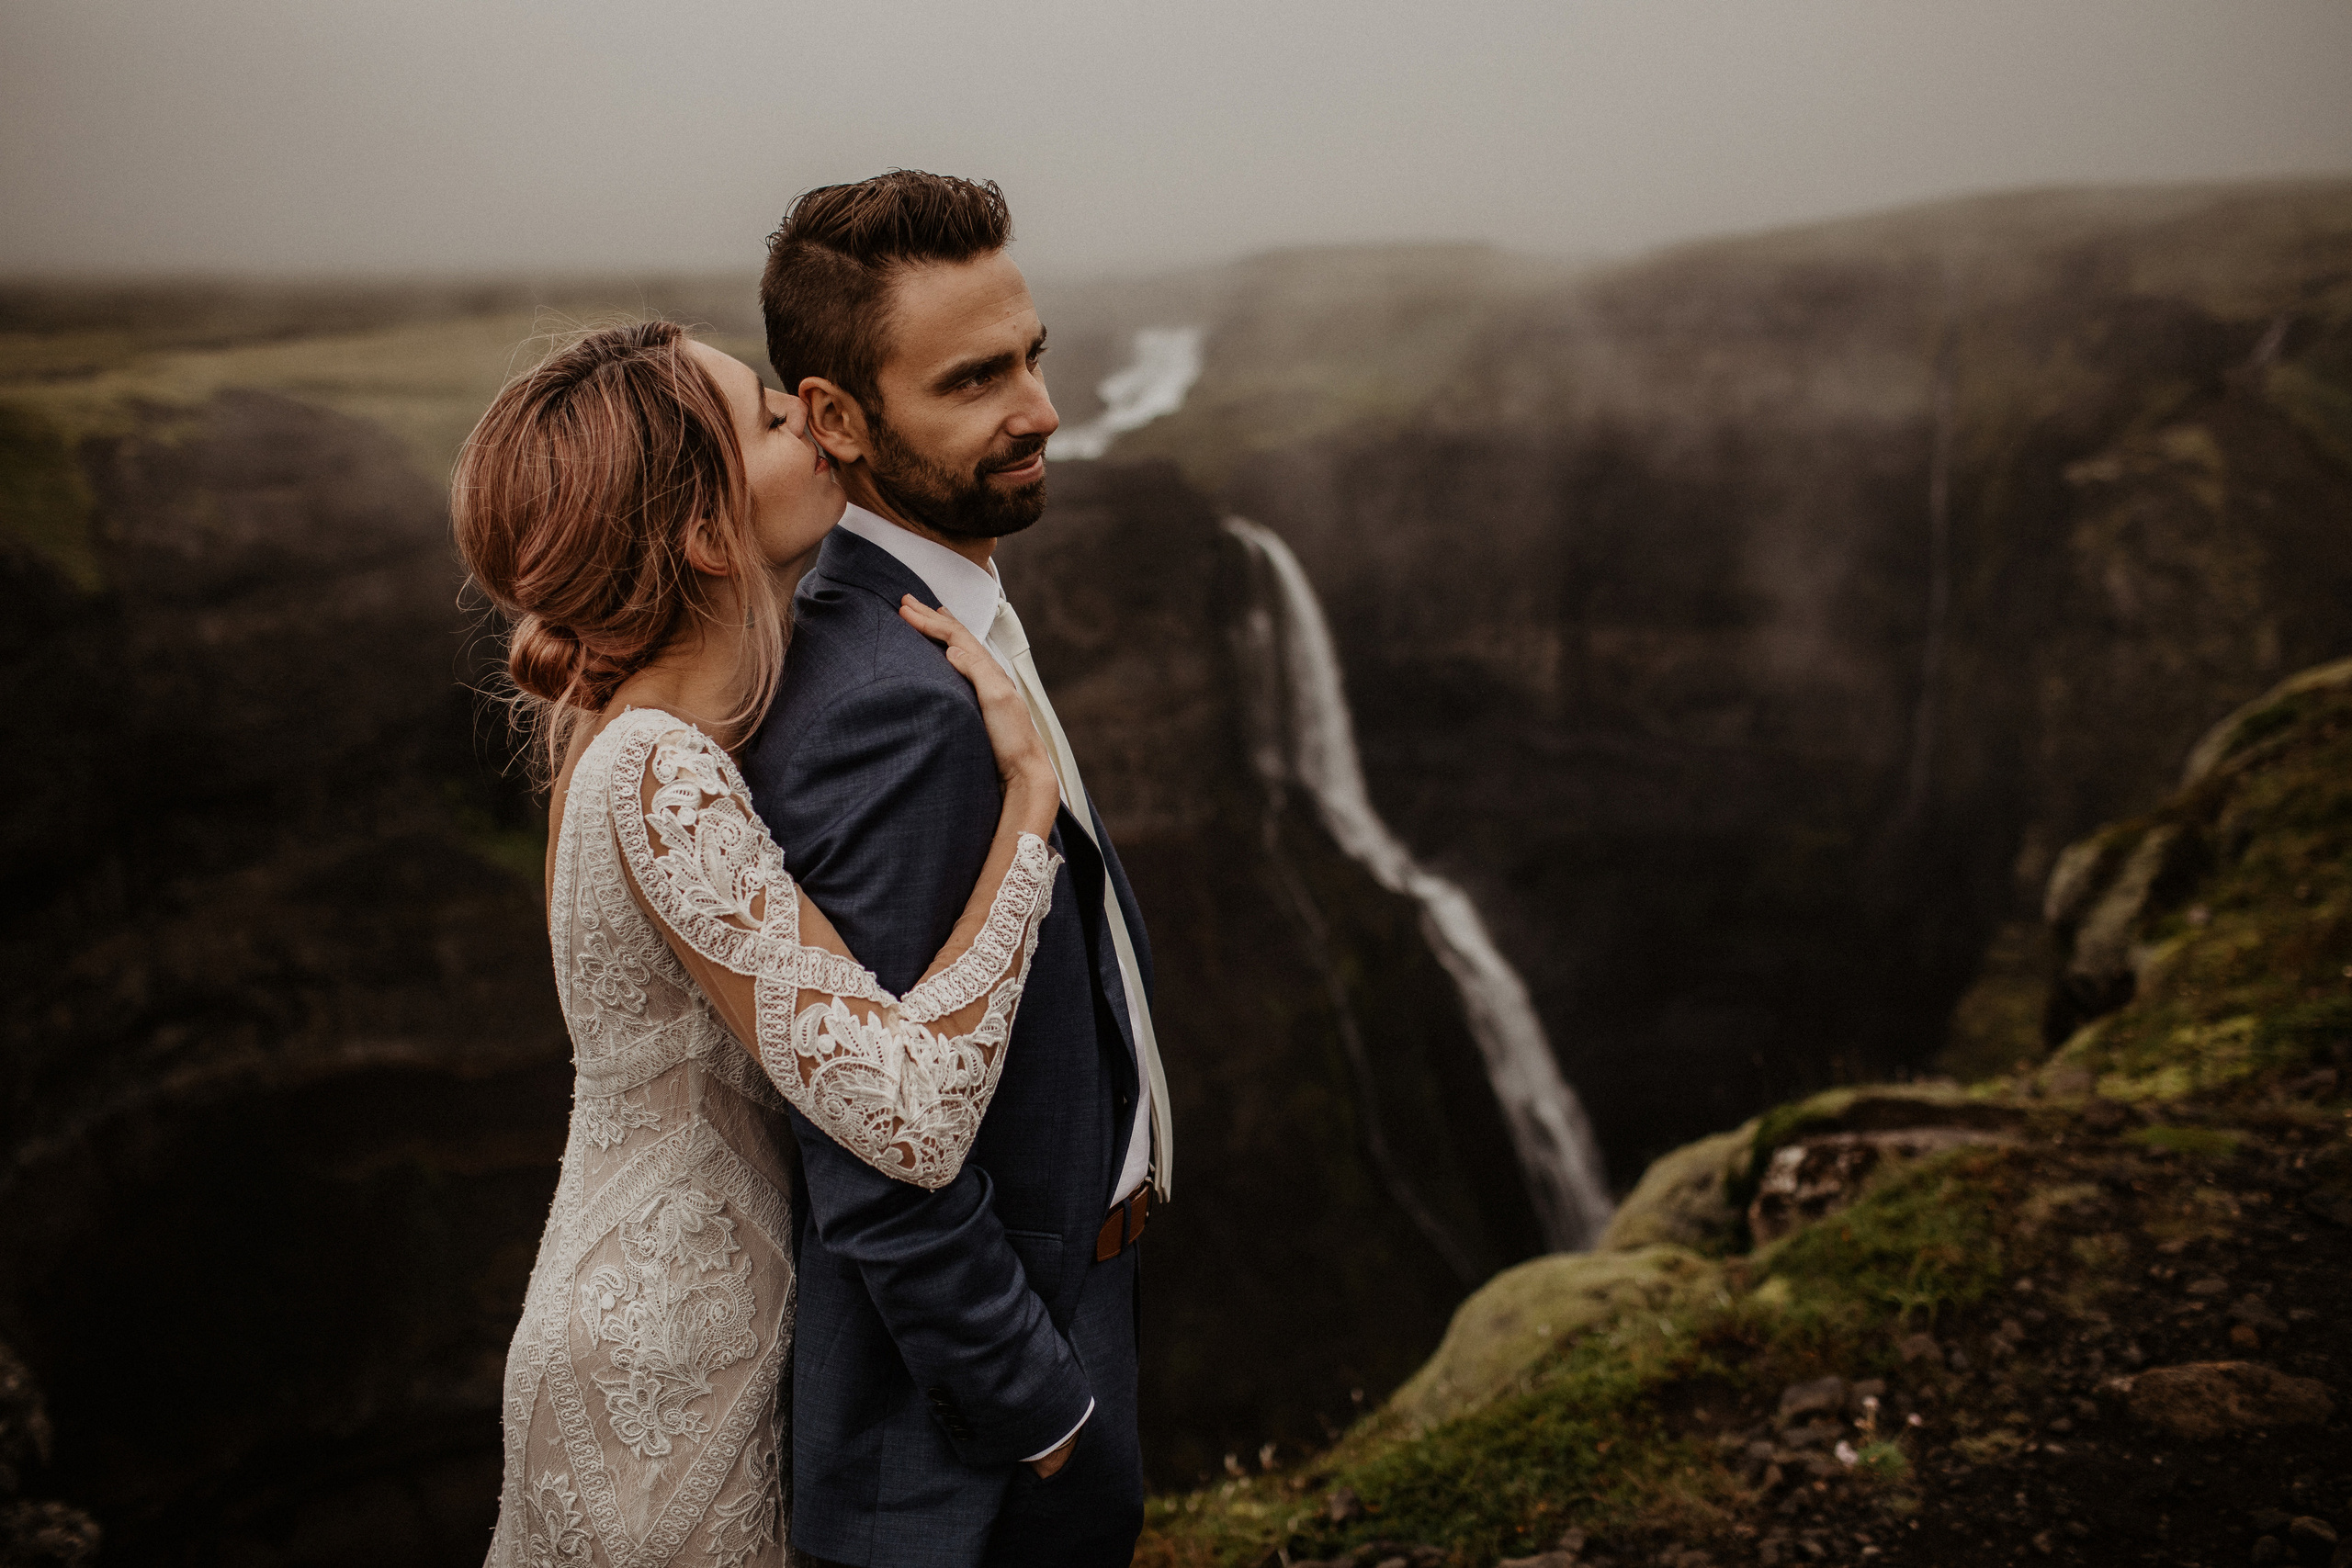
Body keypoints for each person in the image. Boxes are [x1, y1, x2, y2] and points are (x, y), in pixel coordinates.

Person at [454, 320, 1066, 1568]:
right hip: (666, 1360)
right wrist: (1028, 816)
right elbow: (909, 1117)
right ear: (697, 529)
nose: (814, 417)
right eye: (775, 418)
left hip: (660, 1316)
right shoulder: (662, 772)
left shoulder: (631, 739)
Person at [747, 170, 1172, 1568]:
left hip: (1066, 1315)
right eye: (976, 380)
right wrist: (1038, 1410)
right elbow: (868, 1136)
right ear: (835, 419)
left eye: (1034, 357)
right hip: (969, 1455)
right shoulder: (888, 700)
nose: (1041, 410)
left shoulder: (948, 613)